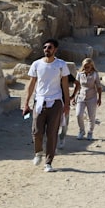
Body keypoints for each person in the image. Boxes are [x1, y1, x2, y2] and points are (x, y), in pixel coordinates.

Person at [23, 38, 70, 173]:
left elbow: (65, 86)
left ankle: (48, 162)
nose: (46, 50)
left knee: (52, 133)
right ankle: (38, 152)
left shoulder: (61, 65)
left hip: (55, 101)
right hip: (40, 101)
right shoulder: (36, 64)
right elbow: (31, 85)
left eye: (49, 47)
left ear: (55, 49)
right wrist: (26, 103)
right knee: (37, 131)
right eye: (45, 47)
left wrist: (66, 104)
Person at [74, 57, 102, 140]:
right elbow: (77, 86)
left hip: (92, 97)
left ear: (92, 66)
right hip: (81, 96)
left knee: (91, 116)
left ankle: (90, 132)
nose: (86, 68)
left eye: (88, 67)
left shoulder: (95, 74)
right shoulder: (79, 74)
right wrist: (74, 96)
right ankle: (81, 131)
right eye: (85, 67)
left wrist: (99, 98)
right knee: (79, 114)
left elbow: (99, 87)